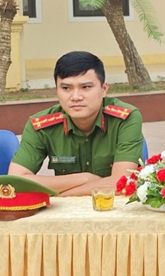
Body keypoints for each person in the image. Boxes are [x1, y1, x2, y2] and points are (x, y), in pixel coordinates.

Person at [8, 51, 144, 195]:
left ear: (104, 89)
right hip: (65, 209)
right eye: (66, 88)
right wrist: (85, 178)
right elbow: (15, 181)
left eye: (86, 87)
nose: (76, 97)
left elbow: (120, 183)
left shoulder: (125, 119)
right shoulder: (40, 126)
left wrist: (61, 195)